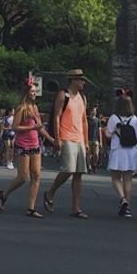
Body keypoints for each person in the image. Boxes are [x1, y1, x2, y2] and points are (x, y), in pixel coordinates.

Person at [0, 78, 55, 218]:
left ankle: (31, 207)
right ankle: (4, 194)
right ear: (27, 93)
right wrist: (32, 127)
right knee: (23, 177)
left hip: (35, 144)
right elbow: (15, 127)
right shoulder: (21, 108)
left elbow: (39, 127)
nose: (35, 94)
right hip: (23, 144)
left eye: (35, 91)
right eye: (33, 91)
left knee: (36, 175)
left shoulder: (35, 108)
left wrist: (51, 139)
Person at [43, 68, 90, 218]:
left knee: (79, 173)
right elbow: (56, 117)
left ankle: (76, 208)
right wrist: (57, 138)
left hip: (80, 138)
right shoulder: (64, 95)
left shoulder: (82, 98)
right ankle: (50, 192)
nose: (83, 82)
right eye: (81, 79)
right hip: (66, 136)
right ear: (73, 80)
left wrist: (86, 141)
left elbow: (84, 120)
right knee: (68, 169)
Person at [106, 89, 137, 217]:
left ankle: (122, 199)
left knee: (116, 178)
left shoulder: (113, 118)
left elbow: (107, 134)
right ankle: (128, 206)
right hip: (131, 151)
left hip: (118, 149)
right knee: (128, 179)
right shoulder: (134, 119)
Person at [87, 104, 101, 173]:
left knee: (96, 154)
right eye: (93, 110)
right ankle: (89, 167)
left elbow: (100, 131)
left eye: (95, 111)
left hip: (96, 140)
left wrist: (100, 141)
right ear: (90, 111)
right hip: (88, 139)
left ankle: (94, 164)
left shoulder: (98, 120)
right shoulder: (87, 119)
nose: (94, 112)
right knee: (88, 154)